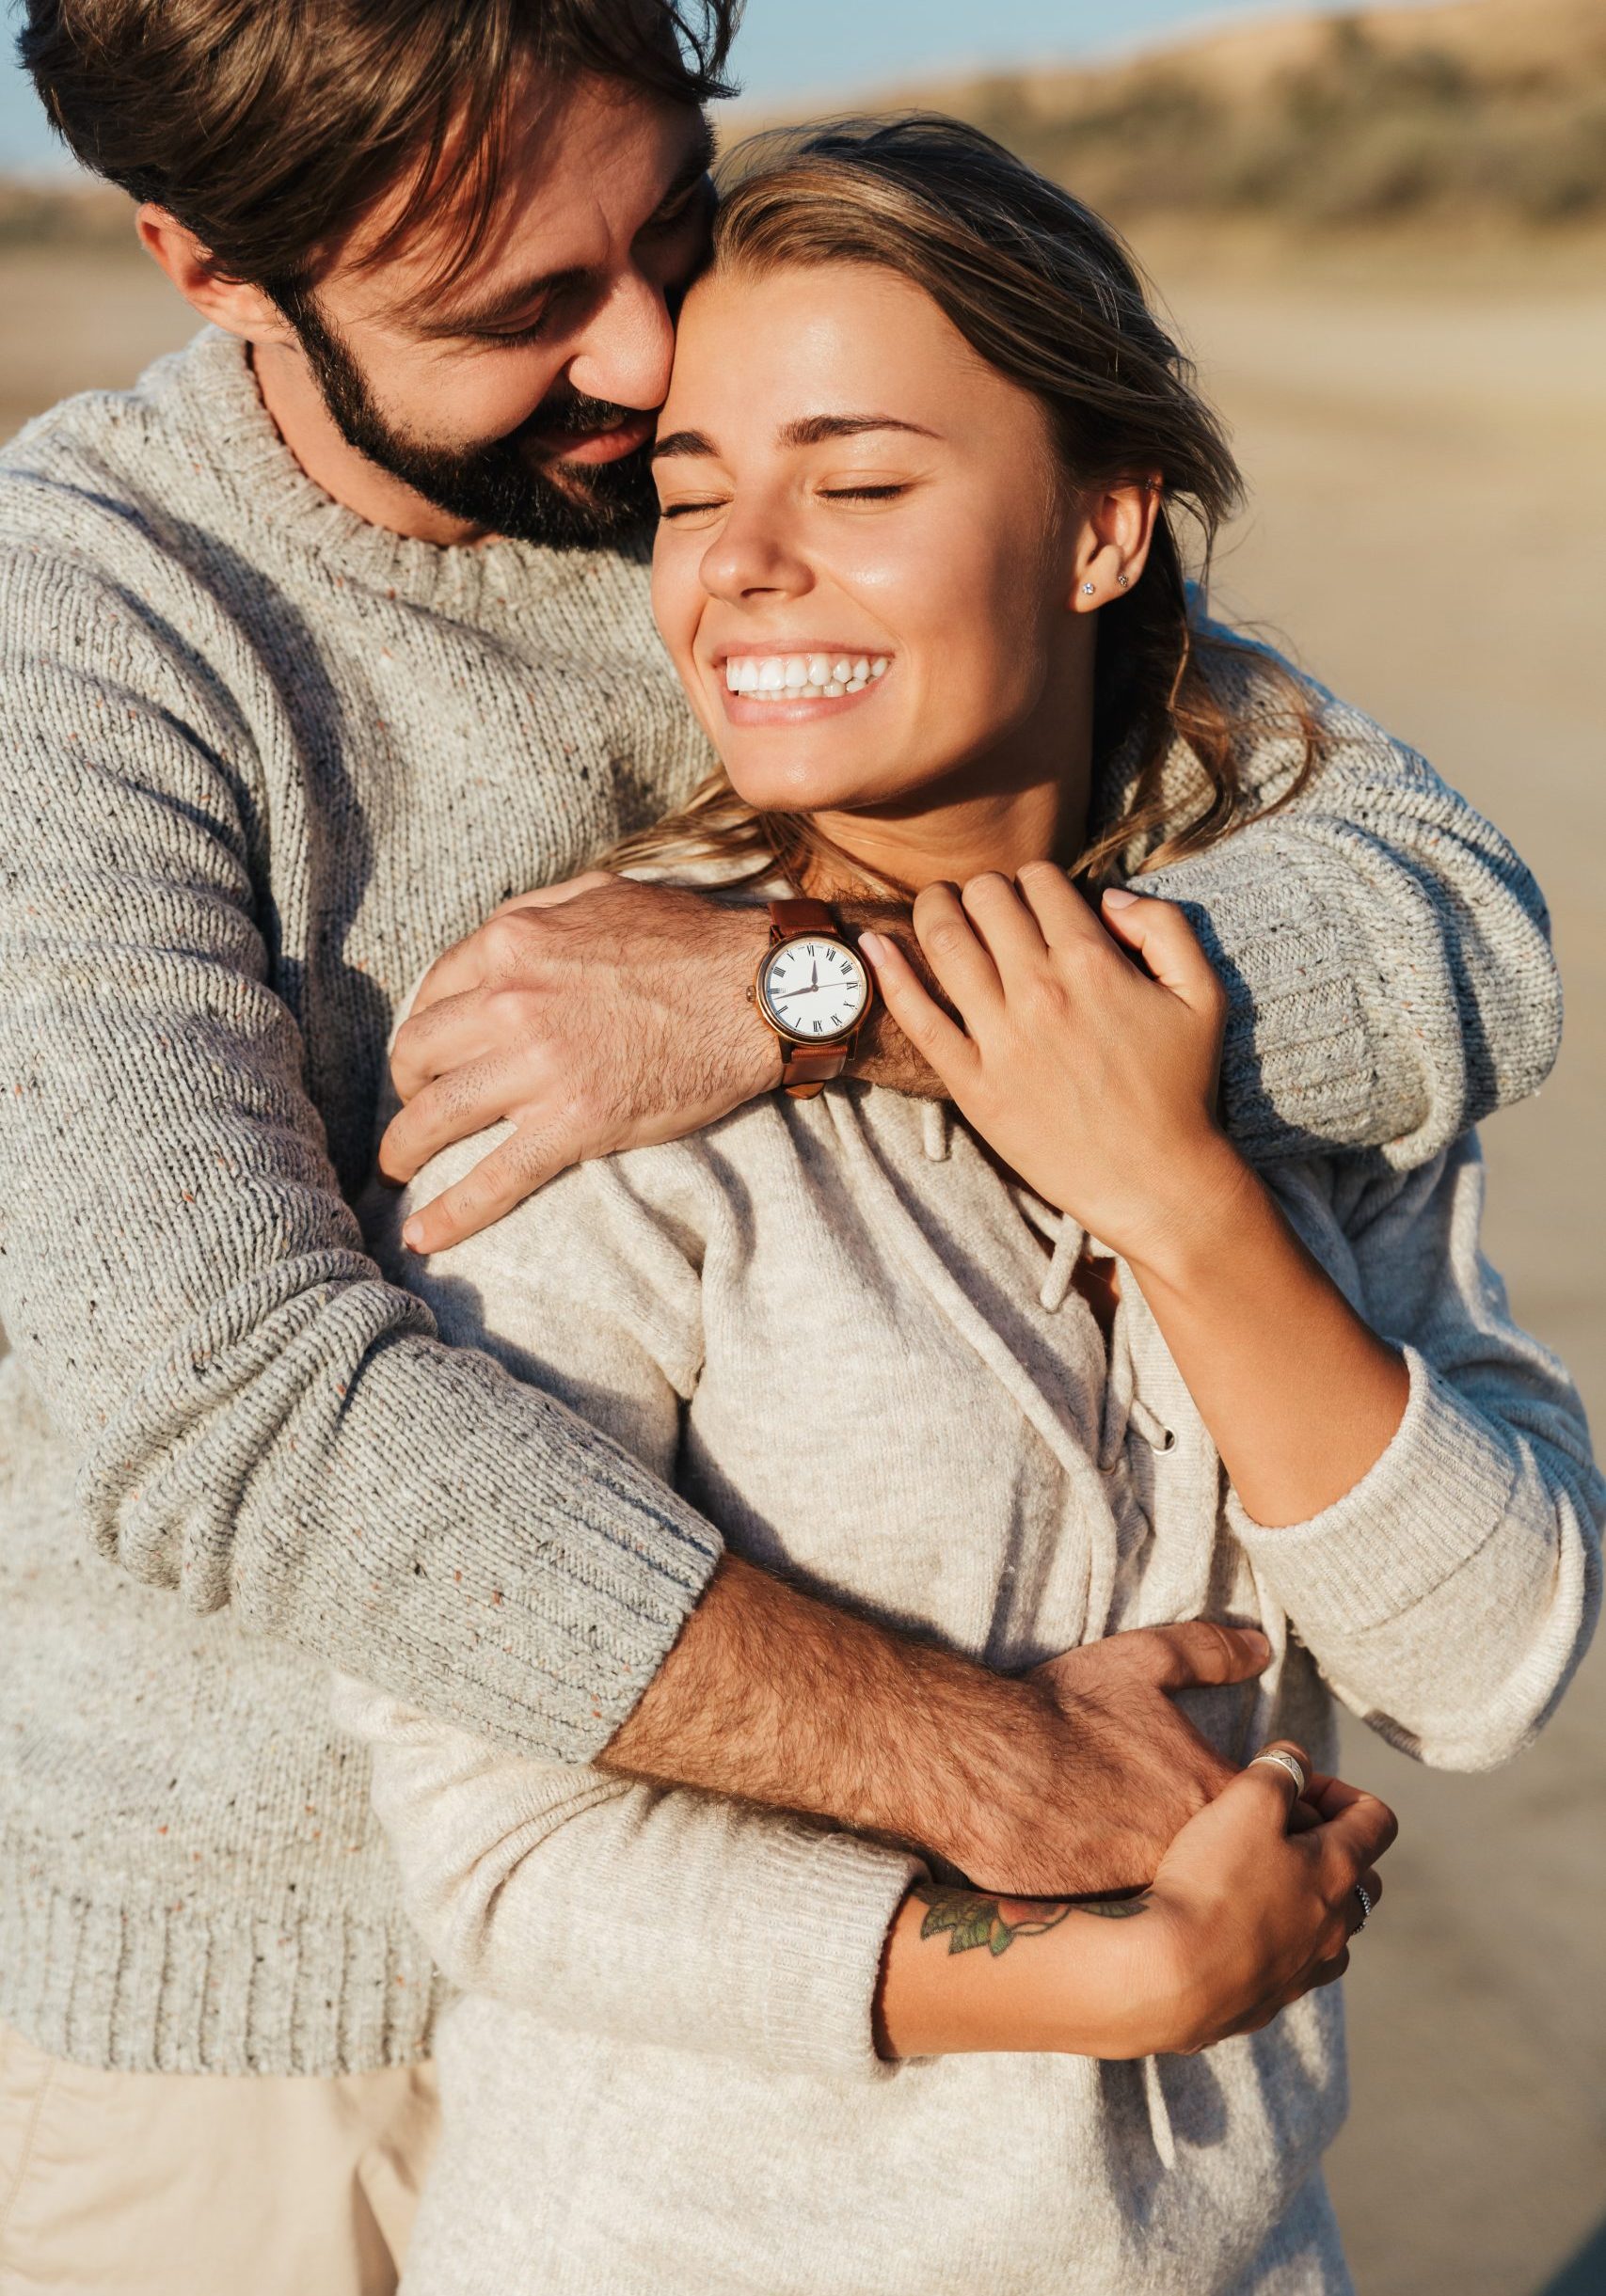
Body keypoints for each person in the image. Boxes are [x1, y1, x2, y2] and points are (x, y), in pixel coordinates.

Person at [0, 4, 1570, 2287]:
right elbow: (237, 1412)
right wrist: (1008, 1789)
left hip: (899, 2083)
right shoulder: (78, 630)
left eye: (659, 213)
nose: (642, 368)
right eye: (519, 307)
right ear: (213, 271)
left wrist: (796, 998)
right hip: (276, 2048)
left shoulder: (770, 450)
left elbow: (1433, 921)